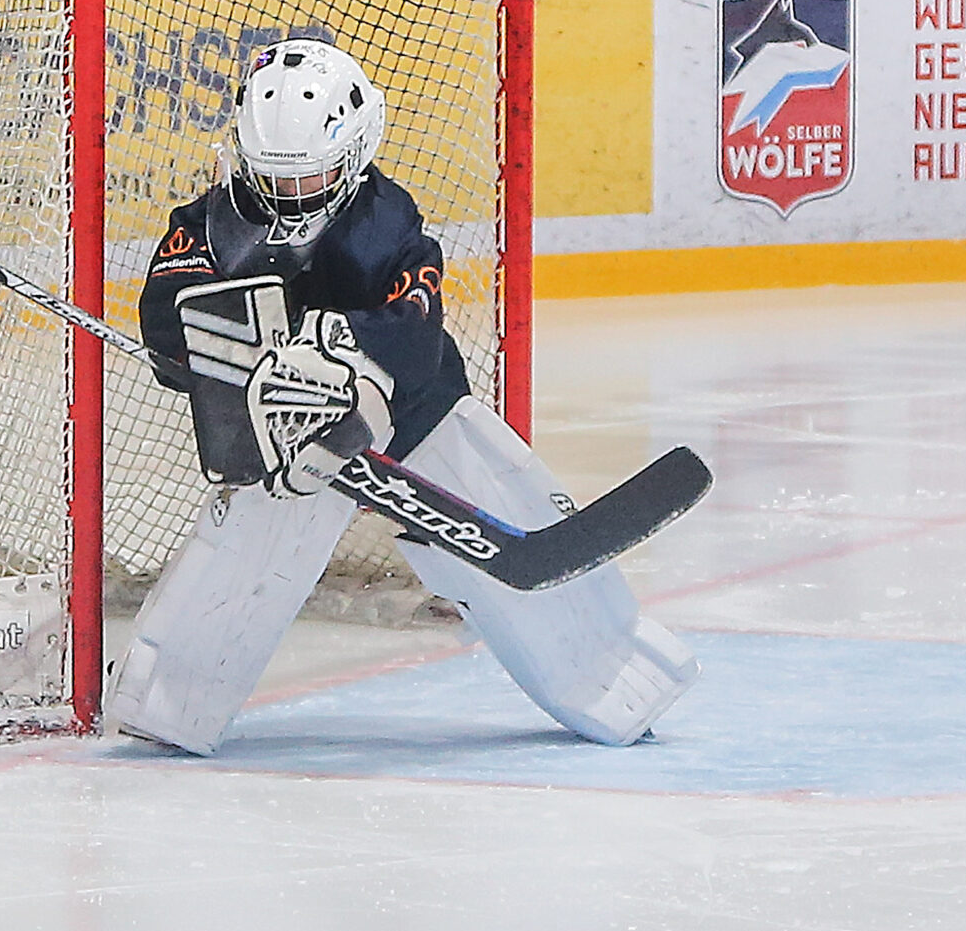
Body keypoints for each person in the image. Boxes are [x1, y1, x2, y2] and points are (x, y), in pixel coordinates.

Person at [105, 37, 697, 753]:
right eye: (274, 176)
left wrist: (349, 366)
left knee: (507, 498)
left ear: (354, 153)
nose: (292, 194)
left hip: (414, 413)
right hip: (279, 439)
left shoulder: (386, 222)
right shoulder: (208, 224)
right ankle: (170, 702)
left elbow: (415, 331)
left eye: (313, 174)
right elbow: (167, 316)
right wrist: (242, 371)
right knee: (248, 550)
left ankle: (613, 671)